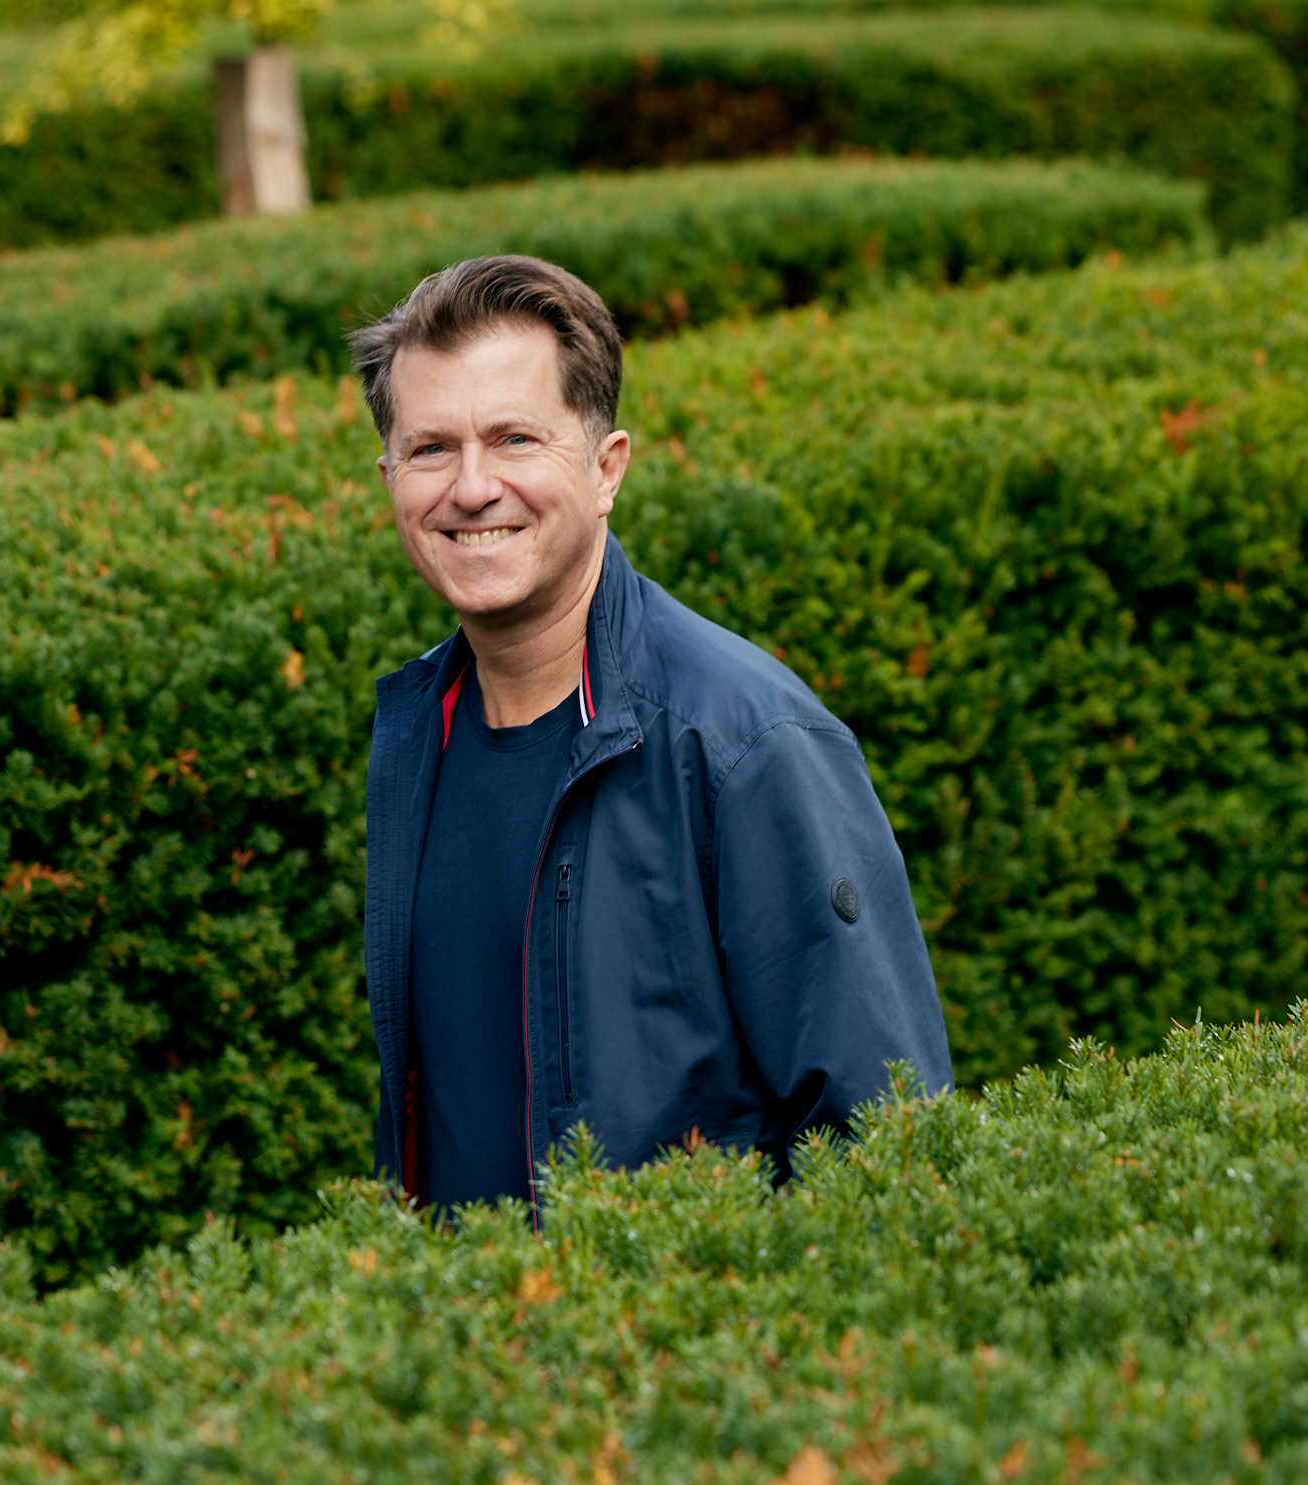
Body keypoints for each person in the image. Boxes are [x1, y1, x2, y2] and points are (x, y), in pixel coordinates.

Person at [349, 253, 952, 1214]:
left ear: (606, 468)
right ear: (389, 476)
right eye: (430, 449)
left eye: (514, 439)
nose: (470, 488)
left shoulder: (743, 743)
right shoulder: (416, 734)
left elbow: (886, 1146)